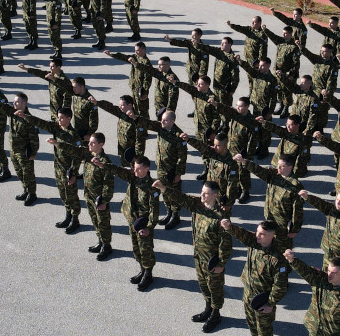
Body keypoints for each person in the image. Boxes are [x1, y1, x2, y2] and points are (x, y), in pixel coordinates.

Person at [155, 180, 232, 333]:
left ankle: (216, 315)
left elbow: (226, 244)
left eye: (206, 194)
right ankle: (208, 309)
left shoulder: (221, 217)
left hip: (212, 261)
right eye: (201, 192)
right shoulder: (197, 205)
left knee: (215, 288)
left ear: (215, 196)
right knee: (203, 285)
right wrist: (164, 188)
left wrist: (221, 264)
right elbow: (181, 198)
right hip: (198, 256)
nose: (202, 195)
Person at [96, 155, 160, 291]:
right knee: (136, 248)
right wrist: (103, 165)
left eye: (138, 169)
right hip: (132, 220)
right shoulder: (133, 177)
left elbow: (154, 211)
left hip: (143, 224)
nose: (135, 172)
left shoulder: (152, 187)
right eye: (134, 168)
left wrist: (149, 228)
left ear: (147, 169)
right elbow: (118, 171)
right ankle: (142, 270)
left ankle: (148, 274)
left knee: (145, 250)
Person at [221, 219, 290, 336]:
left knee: (264, 331)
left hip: (263, 301)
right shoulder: (254, 242)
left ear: (272, 235)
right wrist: (228, 227)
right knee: (252, 325)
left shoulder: (277, 259)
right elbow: (241, 233)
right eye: (257, 231)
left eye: (262, 234)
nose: (257, 235)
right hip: (248, 294)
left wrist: (270, 304)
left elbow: (280, 286)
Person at [25, 107, 84, 233]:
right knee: (63, 194)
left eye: (62, 117)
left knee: (72, 196)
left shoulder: (74, 136)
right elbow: (41, 123)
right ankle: (68, 216)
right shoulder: (56, 127)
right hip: (58, 169)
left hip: (68, 171)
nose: (59, 119)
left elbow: (78, 157)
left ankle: (75, 219)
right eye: (58, 117)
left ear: (69, 119)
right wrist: (26, 117)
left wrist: (73, 174)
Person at [235, 153, 304, 250]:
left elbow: (298, 211)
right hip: (269, 217)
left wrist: (294, 229)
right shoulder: (274, 175)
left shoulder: (295, 186)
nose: (278, 168)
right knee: (269, 245)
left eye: (282, 166)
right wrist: (244, 161)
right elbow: (259, 170)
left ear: (290, 167)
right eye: (278, 165)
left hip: (282, 225)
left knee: (283, 249)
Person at [283, 250, 340, 336]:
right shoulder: (320, 280)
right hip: (314, 328)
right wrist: (292, 260)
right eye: (329, 270)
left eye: (334, 273)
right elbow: (305, 271)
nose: (329, 275)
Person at [66, 133, 115, 261]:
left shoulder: (105, 162)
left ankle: (106, 246)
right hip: (89, 196)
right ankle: (100, 241)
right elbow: (75, 151)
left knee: (103, 223)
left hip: (99, 199)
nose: (89, 145)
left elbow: (109, 185)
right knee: (95, 220)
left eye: (92, 143)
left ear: (101, 144)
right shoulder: (89, 156)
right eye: (89, 142)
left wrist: (104, 200)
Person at [297, 190, 340, 280]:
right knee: (325, 280)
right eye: (337, 199)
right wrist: (307, 197)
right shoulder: (332, 210)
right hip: (328, 254)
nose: (338, 202)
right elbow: (320, 203)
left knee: (339, 285)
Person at [0, 93, 41, 205]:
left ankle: (32, 194)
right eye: (14, 101)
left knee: (28, 173)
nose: (14, 103)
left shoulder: (29, 119)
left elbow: (34, 139)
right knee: (19, 172)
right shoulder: (13, 113)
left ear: (24, 103)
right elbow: (1, 107)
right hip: (14, 150)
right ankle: (26, 190)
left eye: (17, 102)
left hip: (24, 152)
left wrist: (33, 153)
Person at [20, 57, 70, 121]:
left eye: (52, 66)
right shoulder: (52, 75)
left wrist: (63, 112)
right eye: (50, 66)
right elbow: (39, 73)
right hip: (53, 110)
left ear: (58, 67)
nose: (50, 68)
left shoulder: (64, 80)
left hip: (61, 112)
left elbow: (68, 97)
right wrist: (26, 69)